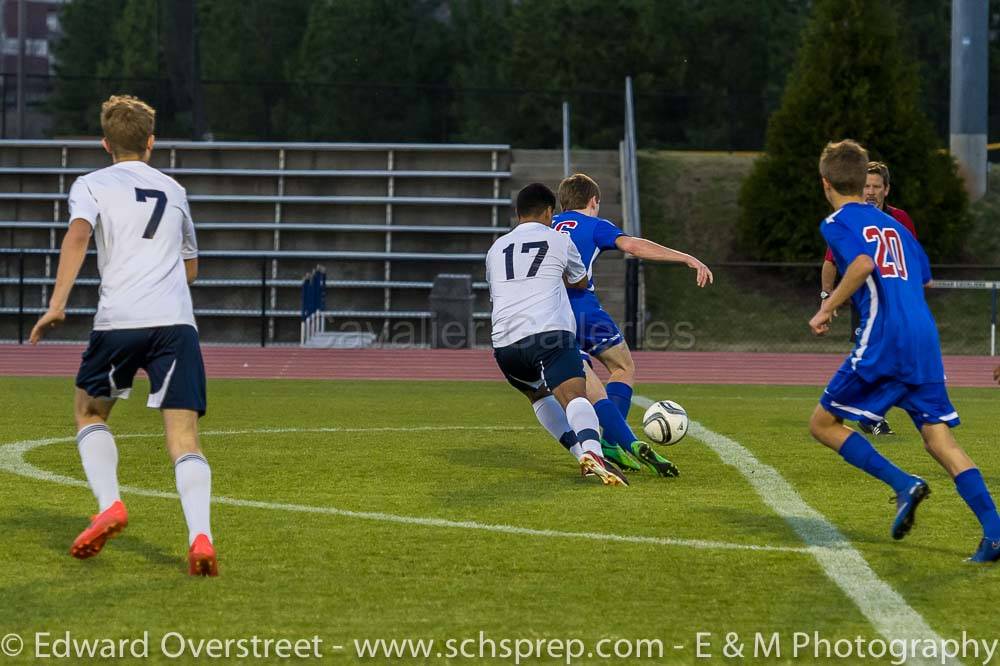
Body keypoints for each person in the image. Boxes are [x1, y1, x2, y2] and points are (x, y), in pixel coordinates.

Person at [29, 95, 218, 576]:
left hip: (120, 319)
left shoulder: (91, 184)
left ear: (105, 143)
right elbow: (191, 267)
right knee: (184, 437)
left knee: (89, 410)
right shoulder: (174, 189)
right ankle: (201, 538)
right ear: (152, 142)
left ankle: (110, 504)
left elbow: (77, 236)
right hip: (176, 323)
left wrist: (57, 304)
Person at [808, 139, 1000, 563]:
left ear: (826, 183)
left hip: (885, 337)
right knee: (938, 438)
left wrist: (827, 307)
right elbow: (924, 280)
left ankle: (902, 483)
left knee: (823, 424)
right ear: (865, 182)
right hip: (923, 338)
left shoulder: (837, 221)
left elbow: (860, 265)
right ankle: (994, 531)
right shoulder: (898, 228)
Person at [551, 173, 712, 477]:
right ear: (593, 201)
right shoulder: (595, 225)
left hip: (550, 314)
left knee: (587, 386)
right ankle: (614, 441)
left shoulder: (547, 225)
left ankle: (612, 440)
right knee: (623, 367)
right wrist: (685, 258)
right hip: (585, 309)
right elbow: (633, 247)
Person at [487, 183, 627, 487]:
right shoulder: (559, 239)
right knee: (574, 395)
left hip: (504, 343)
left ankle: (581, 455)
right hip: (548, 332)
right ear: (550, 211)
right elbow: (579, 280)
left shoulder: (496, 248)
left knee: (538, 396)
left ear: (517, 213)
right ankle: (594, 452)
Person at [820, 161, 916, 437]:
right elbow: (830, 263)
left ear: (886, 189)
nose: (870, 191)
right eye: (866, 186)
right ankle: (865, 414)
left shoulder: (901, 219)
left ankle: (856, 409)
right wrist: (827, 297)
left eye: (876, 186)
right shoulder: (849, 220)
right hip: (867, 301)